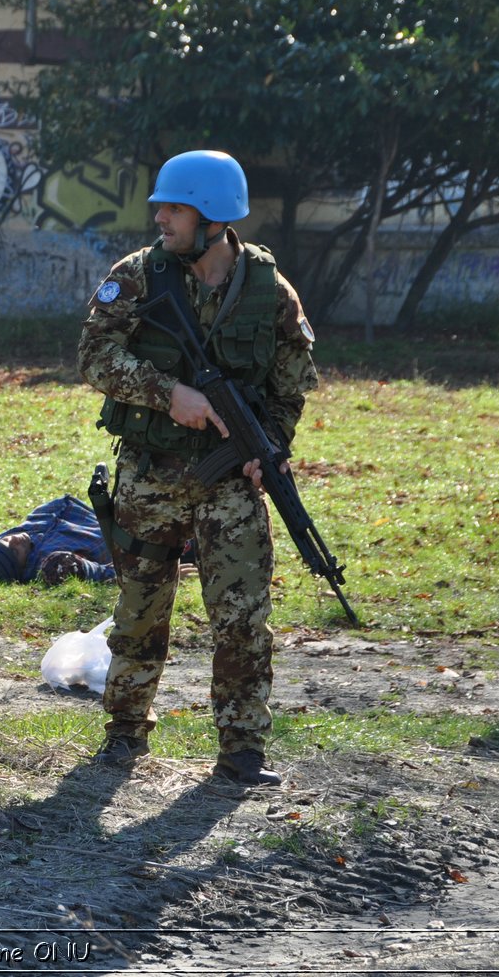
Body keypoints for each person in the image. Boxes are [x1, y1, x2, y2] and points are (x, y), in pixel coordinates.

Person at [76, 150, 318, 788]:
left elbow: (293, 381)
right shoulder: (136, 277)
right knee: (140, 608)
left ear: (212, 218)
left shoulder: (269, 289)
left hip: (231, 479)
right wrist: (170, 395)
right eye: (161, 206)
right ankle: (124, 734)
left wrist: (271, 447)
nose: (160, 217)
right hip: (150, 472)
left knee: (241, 615)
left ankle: (242, 750)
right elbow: (95, 356)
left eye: (174, 208)